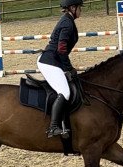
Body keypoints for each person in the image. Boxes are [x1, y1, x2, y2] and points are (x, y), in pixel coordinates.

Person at [37, 0, 83, 138]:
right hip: (49, 62)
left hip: (54, 60)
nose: (81, 10)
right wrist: (68, 68)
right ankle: (53, 127)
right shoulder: (67, 23)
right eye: (80, 7)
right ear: (73, 8)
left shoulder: (67, 20)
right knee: (65, 92)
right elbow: (62, 49)